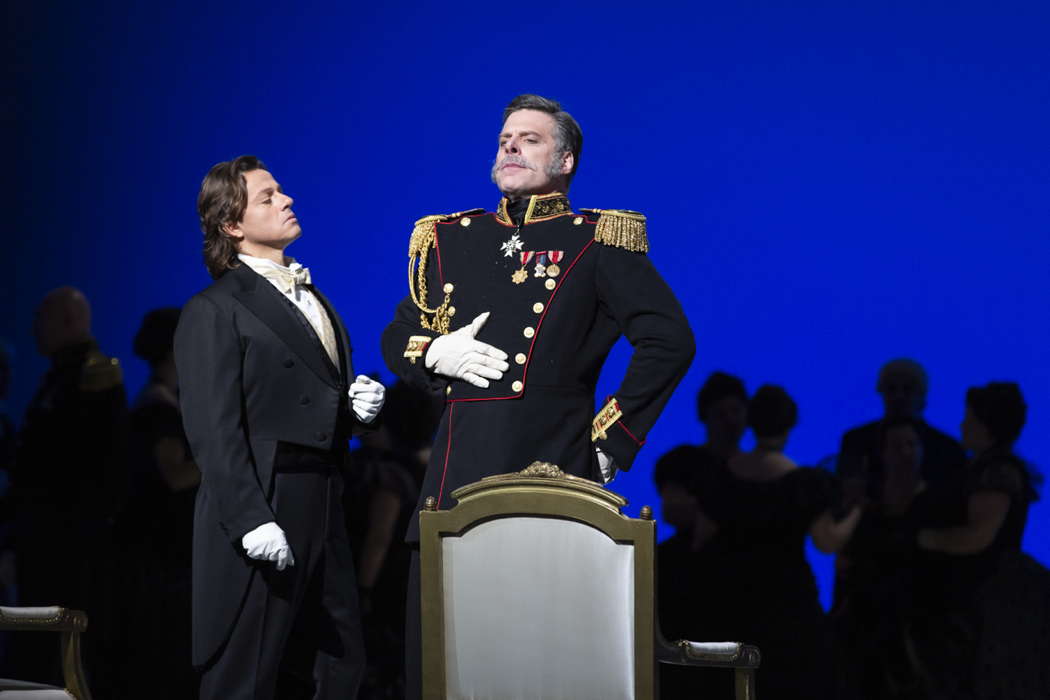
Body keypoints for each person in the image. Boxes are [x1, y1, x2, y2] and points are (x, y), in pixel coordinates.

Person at [382, 93, 695, 698]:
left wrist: (610, 439)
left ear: (566, 160)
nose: (510, 146)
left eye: (529, 139)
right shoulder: (450, 239)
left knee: (539, 664)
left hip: (551, 471)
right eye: (504, 138)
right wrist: (432, 354)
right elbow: (399, 333)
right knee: (446, 667)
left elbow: (669, 339)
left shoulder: (597, 241)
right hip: (454, 481)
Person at [175, 155, 384, 699]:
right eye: (267, 197)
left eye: (281, 191)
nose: (286, 200)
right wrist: (250, 519)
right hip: (266, 497)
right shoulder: (215, 309)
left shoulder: (313, 297)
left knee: (340, 661)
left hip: (325, 495)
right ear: (232, 225)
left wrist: (352, 411)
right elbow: (212, 427)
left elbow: (302, 395)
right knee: (246, 669)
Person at [692, 385, 858, 700]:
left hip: (732, 598)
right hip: (789, 601)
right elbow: (826, 542)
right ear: (791, 424)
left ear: (751, 422)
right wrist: (858, 510)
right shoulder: (807, 484)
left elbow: (702, 538)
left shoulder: (721, 476)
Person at [11, 287, 128, 691]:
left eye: (42, 319)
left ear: (68, 322)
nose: (34, 330)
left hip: (71, 539)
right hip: (46, 535)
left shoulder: (93, 373)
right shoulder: (58, 376)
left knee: (69, 643)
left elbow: (93, 459)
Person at [909, 382, 1042, 699]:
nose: (962, 425)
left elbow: (977, 537)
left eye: (969, 418)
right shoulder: (986, 468)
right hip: (976, 599)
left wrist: (921, 539)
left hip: (980, 601)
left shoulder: (996, 472)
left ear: (987, 425)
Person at [114, 307, 199, 698]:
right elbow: (174, 476)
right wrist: (224, 451)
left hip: (162, 556)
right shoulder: (158, 408)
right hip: (159, 558)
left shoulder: (163, 402)